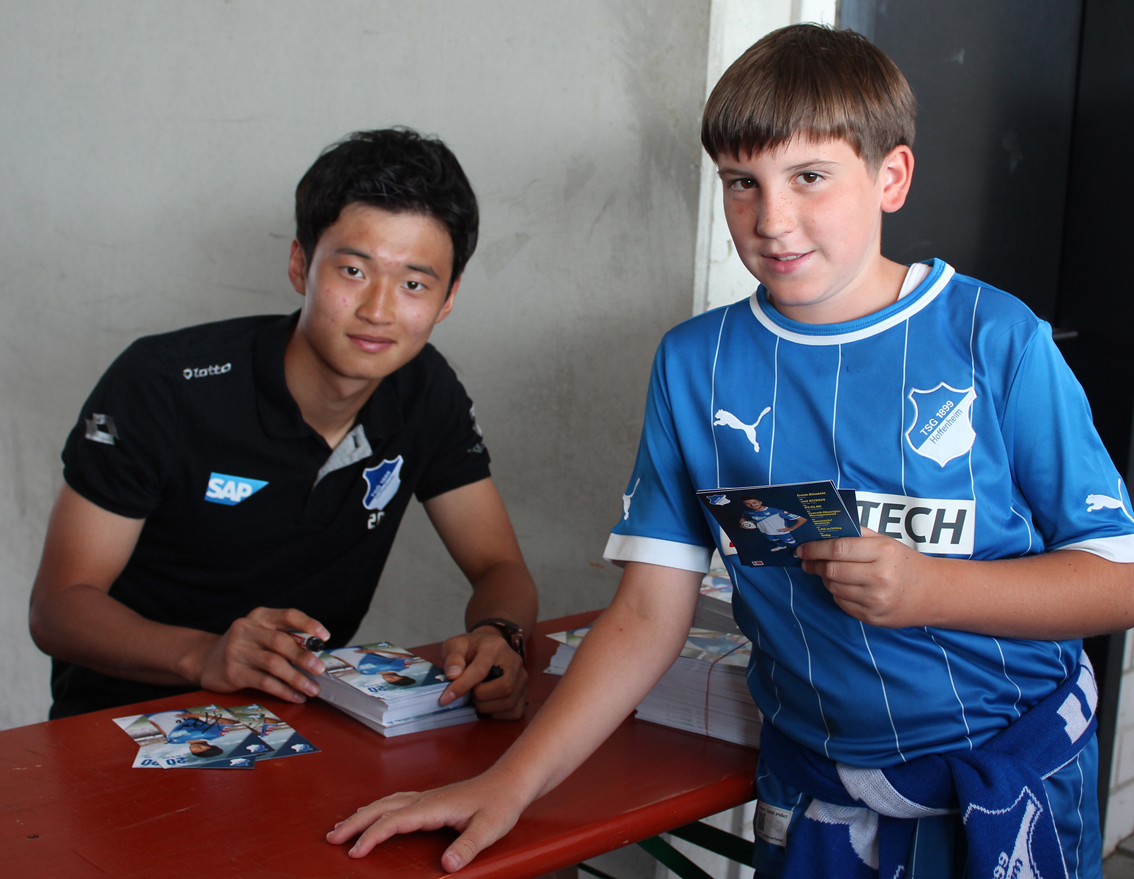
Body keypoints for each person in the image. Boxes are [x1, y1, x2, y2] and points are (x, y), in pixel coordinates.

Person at [325, 26, 1134, 878]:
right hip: (817, 788)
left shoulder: (995, 337)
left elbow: (1117, 582)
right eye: (742, 182)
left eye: (810, 177)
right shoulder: (696, 364)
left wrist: (933, 588)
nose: (772, 220)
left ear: (891, 177)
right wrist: (507, 784)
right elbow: (648, 613)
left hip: (1012, 780)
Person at [29, 128, 538, 723]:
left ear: (447, 299)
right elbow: (58, 608)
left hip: (301, 718)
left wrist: (500, 636)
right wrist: (203, 655)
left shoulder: (425, 389)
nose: (378, 310)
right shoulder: (160, 384)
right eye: (353, 270)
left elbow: (500, 567)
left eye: (413, 284)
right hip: (121, 725)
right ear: (300, 265)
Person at [739, 497, 807, 550]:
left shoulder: (775, 511)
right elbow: (744, 518)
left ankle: (797, 551)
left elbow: (802, 519)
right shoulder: (747, 511)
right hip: (765, 532)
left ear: (760, 502)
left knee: (792, 543)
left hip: (781, 532)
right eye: (748, 504)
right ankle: (782, 546)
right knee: (775, 540)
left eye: (754, 502)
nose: (752, 505)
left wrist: (791, 528)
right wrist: (742, 524)